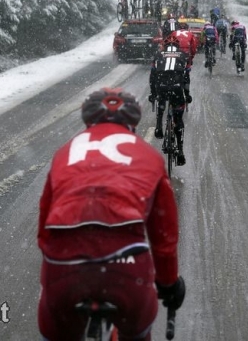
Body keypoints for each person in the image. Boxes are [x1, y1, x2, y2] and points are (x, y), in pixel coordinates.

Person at [37, 88, 185, 341]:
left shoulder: (65, 152)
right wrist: (169, 283)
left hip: (64, 267)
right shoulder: (149, 155)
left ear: (88, 119)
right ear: (133, 121)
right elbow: (164, 239)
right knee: (137, 332)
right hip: (127, 267)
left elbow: (44, 230)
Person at [150, 34, 192, 165]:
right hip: (177, 88)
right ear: (177, 46)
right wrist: (187, 94)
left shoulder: (158, 55)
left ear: (165, 45)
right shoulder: (183, 55)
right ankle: (180, 151)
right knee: (178, 119)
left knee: (161, 98)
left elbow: (152, 76)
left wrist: (153, 93)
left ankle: (158, 125)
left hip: (161, 86)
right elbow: (186, 78)